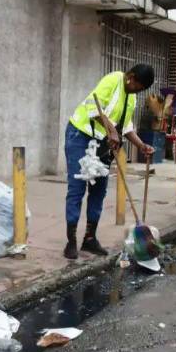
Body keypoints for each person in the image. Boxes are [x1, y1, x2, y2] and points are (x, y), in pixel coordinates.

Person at [63, 64, 156, 260]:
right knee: (77, 187)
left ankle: (89, 238)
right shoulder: (113, 80)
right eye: (137, 86)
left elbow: (126, 125)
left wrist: (141, 145)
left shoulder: (131, 96)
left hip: (102, 142)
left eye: (141, 90)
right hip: (81, 136)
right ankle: (70, 241)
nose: (137, 91)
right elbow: (91, 106)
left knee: (99, 189)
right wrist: (111, 130)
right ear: (130, 76)